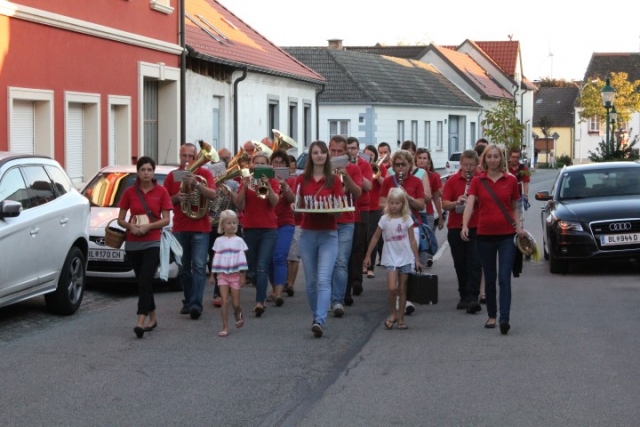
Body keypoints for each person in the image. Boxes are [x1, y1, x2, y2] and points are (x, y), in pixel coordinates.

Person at [461, 144, 524, 335]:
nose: (493, 160)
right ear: (484, 159)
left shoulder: (510, 180)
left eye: (496, 156)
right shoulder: (478, 181)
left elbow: (514, 207)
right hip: (484, 236)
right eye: (489, 157)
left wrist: (518, 227)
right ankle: (491, 315)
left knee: (504, 278)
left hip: (507, 235)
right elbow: (469, 206)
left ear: (501, 159)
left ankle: (504, 318)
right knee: (489, 278)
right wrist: (465, 225)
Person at [117, 156, 172, 338]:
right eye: (143, 170)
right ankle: (153, 318)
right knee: (143, 281)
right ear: (138, 172)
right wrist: (131, 227)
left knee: (146, 278)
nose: (146, 173)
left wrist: (149, 226)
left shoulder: (162, 191)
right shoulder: (129, 192)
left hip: (153, 241)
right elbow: (120, 219)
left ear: (153, 172)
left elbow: (166, 220)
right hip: (133, 242)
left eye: (149, 170)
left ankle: (140, 321)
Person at [295, 140, 344, 337]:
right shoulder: (302, 179)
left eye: (322, 152)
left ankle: (320, 320)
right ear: (311, 156)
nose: (319, 155)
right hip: (307, 233)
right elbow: (297, 208)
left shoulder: (335, 180)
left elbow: (339, 211)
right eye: (315, 152)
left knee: (323, 279)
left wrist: (332, 209)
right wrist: (294, 205)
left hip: (328, 234)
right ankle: (316, 315)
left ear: (327, 155)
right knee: (310, 281)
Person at [164, 143, 217, 320]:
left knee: (199, 266)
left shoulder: (205, 174)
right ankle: (188, 300)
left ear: (195, 157)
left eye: (190, 156)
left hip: (201, 228)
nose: (187, 159)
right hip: (180, 227)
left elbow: (213, 195)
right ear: (180, 156)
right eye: (184, 155)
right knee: (184, 268)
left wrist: (196, 185)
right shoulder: (172, 176)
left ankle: (196, 305)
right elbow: (164, 202)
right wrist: (176, 198)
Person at [364, 188, 421, 330]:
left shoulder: (407, 219)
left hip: (405, 257)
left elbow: (412, 240)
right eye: (391, 203)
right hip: (390, 257)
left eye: (397, 203)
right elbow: (375, 237)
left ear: (403, 203)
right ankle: (393, 313)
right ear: (388, 203)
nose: (394, 206)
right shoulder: (384, 219)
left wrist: (417, 259)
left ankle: (401, 318)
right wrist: (368, 255)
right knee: (391, 288)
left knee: (402, 289)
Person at [379, 149, 426, 315]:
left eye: (403, 165)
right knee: (395, 262)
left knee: (409, 261)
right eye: (397, 165)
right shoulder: (388, 181)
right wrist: (394, 202)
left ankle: (406, 298)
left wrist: (408, 198)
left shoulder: (416, 181)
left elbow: (422, 205)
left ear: (410, 165)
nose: (400, 168)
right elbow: (380, 203)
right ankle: (398, 297)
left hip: (412, 225)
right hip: (393, 226)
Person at [234, 151, 279, 317]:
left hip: (269, 229)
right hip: (250, 228)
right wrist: (244, 187)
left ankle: (260, 301)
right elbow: (239, 205)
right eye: (256, 163)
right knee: (252, 270)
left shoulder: (272, 180)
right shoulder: (247, 180)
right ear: (252, 165)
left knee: (261, 266)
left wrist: (267, 185)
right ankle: (262, 290)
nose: (259, 166)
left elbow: (274, 202)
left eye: (263, 163)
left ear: (268, 166)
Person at [442, 150, 482, 313]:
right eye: (466, 165)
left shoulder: (481, 180)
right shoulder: (452, 180)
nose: (468, 169)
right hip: (456, 226)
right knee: (460, 263)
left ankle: (473, 297)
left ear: (477, 165)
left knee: (475, 262)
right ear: (461, 164)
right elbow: (445, 204)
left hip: (477, 226)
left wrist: (474, 199)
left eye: (472, 165)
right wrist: (456, 202)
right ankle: (463, 295)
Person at [329, 135, 362, 313]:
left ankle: (337, 300)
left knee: (341, 261)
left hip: (346, 221)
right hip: (326, 220)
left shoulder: (354, 168)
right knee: (328, 262)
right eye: (333, 151)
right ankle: (328, 296)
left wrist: (346, 176)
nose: (336, 154)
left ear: (345, 153)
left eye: (339, 151)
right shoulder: (322, 168)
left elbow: (357, 193)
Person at [211, 210, 248, 337]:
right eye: (229, 223)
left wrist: (243, 276)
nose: (232, 225)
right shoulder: (218, 241)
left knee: (235, 304)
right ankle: (225, 326)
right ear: (222, 225)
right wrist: (212, 275)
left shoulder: (239, 241)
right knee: (224, 301)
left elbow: (243, 259)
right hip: (222, 275)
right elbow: (215, 257)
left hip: (235, 275)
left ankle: (238, 313)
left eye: (234, 223)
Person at [267, 150, 296, 306]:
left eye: (281, 163)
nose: (278, 165)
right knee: (269, 259)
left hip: (285, 222)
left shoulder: (291, 180)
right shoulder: (267, 179)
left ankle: (278, 293)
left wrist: (284, 186)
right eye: (275, 162)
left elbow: (292, 199)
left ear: (286, 165)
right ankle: (275, 288)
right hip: (269, 223)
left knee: (279, 256)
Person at [345, 137, 373, 301]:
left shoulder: (364, 164)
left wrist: (356, 173)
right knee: (348, 248)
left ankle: (356, 281)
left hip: (362, 208)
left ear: (358, 149)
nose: (350, 151)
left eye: (353, 148)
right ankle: (348, 283)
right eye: (348, 148)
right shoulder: (340, 164)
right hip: (346, 208)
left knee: (358, 247)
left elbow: (368, 186)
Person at [363, 144, 387, 279]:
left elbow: (386, 185)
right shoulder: (361, 166)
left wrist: (378, 175)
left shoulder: (380, 167)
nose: (369, 157)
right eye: (366, 155)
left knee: (372, 236)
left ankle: (370, 267)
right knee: (362, 237)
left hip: (375, 207)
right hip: (362, 206)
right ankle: (363, 264)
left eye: (371, 155)